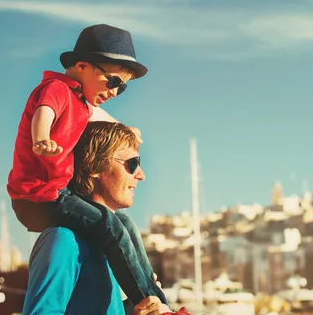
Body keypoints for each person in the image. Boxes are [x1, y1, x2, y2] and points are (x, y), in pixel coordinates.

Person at [7, 24, 167, 306]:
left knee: (122, 224)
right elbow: (44, 111)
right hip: (40, 196)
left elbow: (100, 115)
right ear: (81, 66)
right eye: (114, 81)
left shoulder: (80, 102)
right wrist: (42, 138)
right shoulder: (63, 244)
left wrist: (124, 128)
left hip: (55, 194)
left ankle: (155, 302)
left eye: (124, 87)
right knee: (113, 226)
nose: (117, 91)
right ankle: (149, 300)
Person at [22, 121, 189, 314]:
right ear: (94, 166)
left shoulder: (116, 247)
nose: (141, 175)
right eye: (132, 164)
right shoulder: (64, 240)